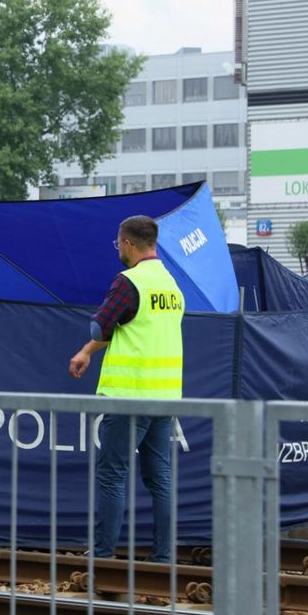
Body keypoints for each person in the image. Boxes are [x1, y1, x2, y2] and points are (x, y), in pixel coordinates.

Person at [68, 215, 184, 563]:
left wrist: (88, 344)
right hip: (164, 397)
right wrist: (88, 353)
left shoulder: (128, 281)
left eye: (118, 243)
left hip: (129, 395)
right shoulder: (171, 285)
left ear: (129, 243)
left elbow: (101, 325)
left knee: (112, 475)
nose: (117, 248)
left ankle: (103, 555)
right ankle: (163, 557)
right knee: (160, 478)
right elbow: (133, 329)